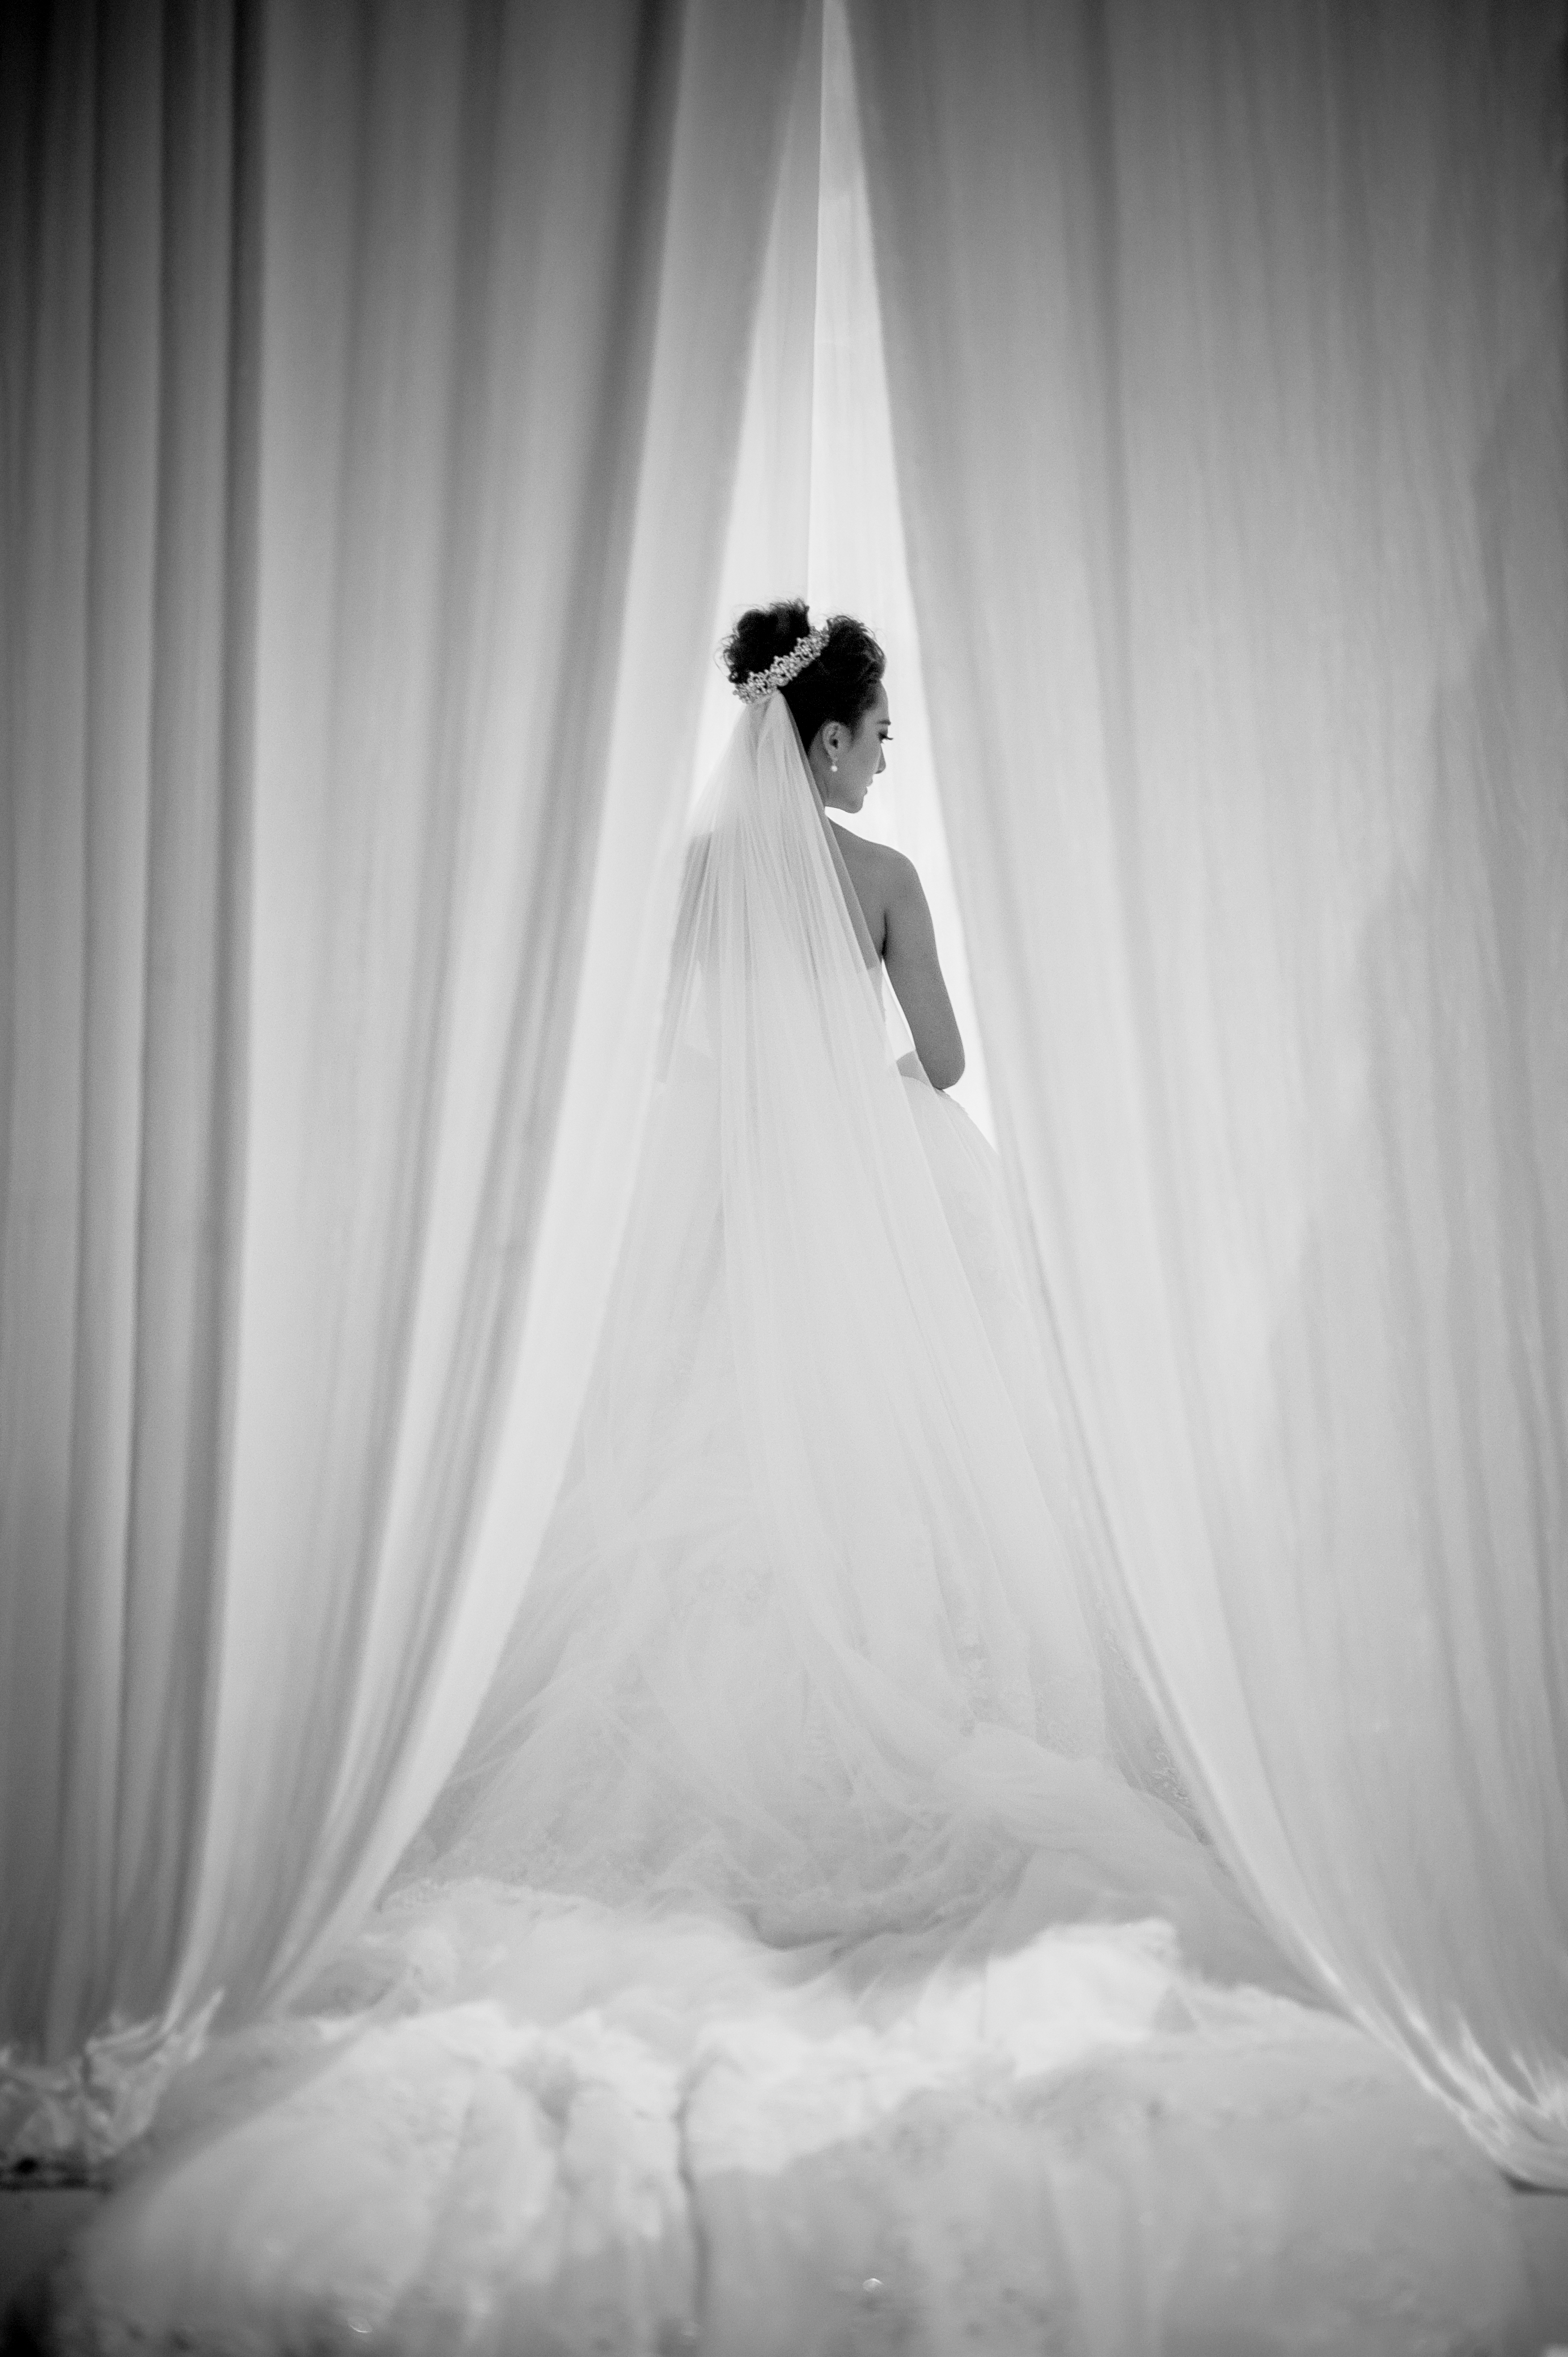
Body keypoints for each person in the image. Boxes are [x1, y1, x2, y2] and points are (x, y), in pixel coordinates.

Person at [52, 607, 1525, 2356]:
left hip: (714, 1214)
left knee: (682, 1489)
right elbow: (947, 1063)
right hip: (860, 1226)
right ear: (825, 742)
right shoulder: (880, 876)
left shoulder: (691, 877)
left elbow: (661, 1048)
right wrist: (857, 1101)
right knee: (923, 1491)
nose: (890, 756)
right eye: (881, 732)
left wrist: (764, 1108)